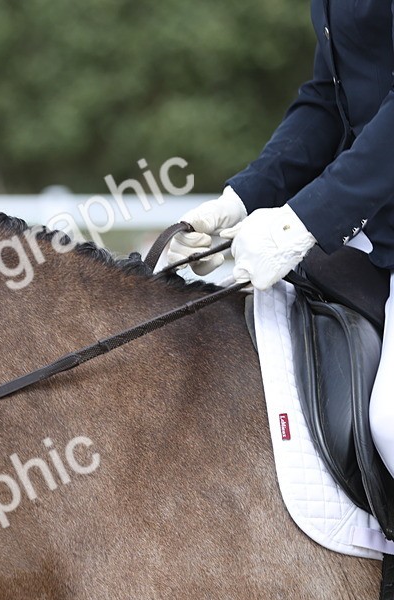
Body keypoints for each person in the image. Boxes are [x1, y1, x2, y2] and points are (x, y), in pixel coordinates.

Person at [169, 0, 394, 477]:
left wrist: (303, 221)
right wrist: (240, 201)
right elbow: (329, 102)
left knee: (391, 422)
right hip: (375, 228)